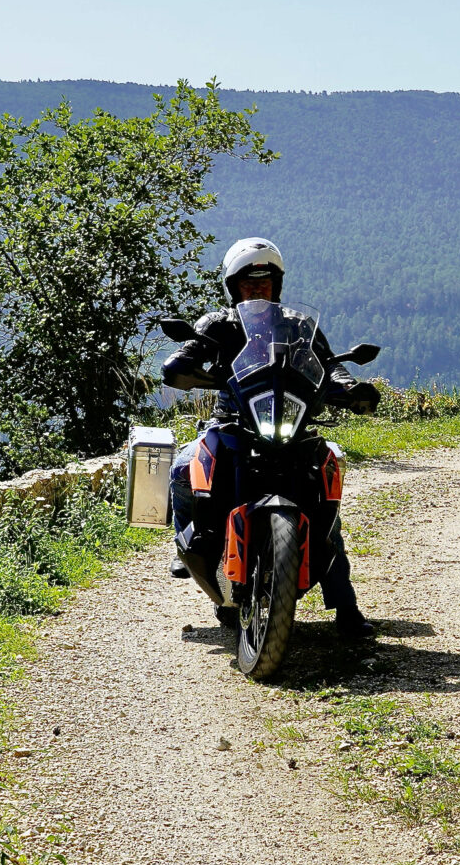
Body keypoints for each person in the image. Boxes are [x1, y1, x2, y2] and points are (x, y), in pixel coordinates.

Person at [161, 237, 382, 638]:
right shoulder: (218, 324)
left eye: (265, 280)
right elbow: (190, 353)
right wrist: (184, 366)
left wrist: (350, 390)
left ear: (277, 284)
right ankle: (184, 545)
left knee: (323, 498)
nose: (257, 288)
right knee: (182, 465)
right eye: (249, 281)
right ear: (234, 285)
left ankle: (346, 608)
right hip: (231, 420)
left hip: (290, 421)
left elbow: (329, 366)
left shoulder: (297, 324)